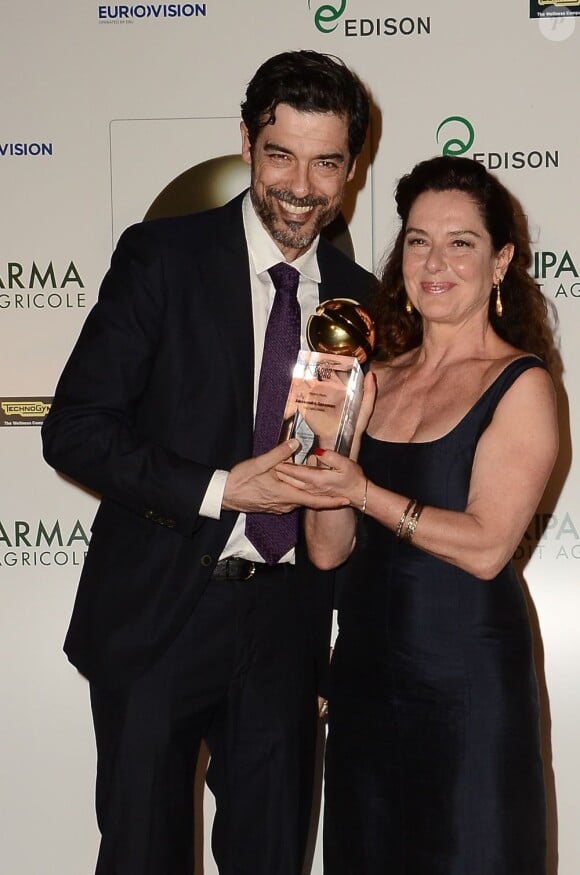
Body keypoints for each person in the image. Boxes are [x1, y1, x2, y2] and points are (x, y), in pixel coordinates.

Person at [41, 50, 373, 875]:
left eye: (326, 160)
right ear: (247, 144)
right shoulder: (163, 257)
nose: (300, 184)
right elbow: (74, 429)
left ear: (353, 167)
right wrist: (225, 488)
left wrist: (340, 637)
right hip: (159, 614)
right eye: (280, 154)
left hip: (291, 627)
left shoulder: (365, 301)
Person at [276, 155, 559, 874]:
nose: (434, 262)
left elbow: (487, 546)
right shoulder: (375, 377)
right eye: (418, 240)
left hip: (467, 684)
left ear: (499, 261)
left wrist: (365, 488)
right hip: (366, 680)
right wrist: (322, 468)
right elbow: (330, 549)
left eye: (460, 242)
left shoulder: (519, 383)